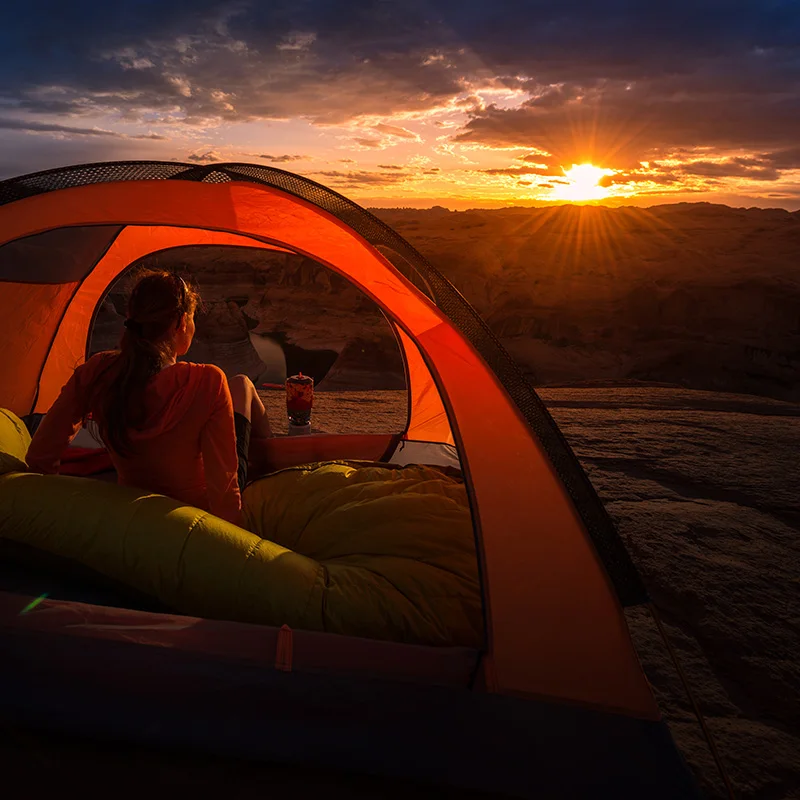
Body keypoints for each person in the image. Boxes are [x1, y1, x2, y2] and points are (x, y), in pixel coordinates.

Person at [25, 269, 272, 527]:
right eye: (192, 317)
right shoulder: (207, 382)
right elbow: (224, 494)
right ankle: (275, 451)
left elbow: (39, 457)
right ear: (180, 323)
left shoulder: (97, 371)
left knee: (242, 388)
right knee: (242, 386)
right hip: (193, 516)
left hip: (131, 508)